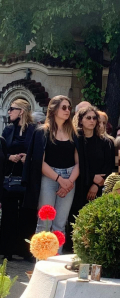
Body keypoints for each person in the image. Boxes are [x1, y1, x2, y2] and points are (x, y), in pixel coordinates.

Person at [23, 95, 79, 252]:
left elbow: (79, 162)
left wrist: (69, 182)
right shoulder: (42, 132)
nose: (68, 111)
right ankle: (41, 262)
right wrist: (60, 180)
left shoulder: (74, 133)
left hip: (70, 178)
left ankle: (56, 264)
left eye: (69, 107)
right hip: (49, 178)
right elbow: (38, 162)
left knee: (60, 225)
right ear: (53, 109)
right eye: (64, 107)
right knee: (44, 223)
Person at [1, 99, 36, 261]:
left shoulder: (35, 130)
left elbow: (39, 152)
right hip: (9, 178)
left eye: (12, 109)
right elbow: (1, 152)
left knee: (27, 215)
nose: (9, 112)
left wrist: (27, 158)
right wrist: (10, 157)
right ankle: (7, 250)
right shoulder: (8, 130)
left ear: (21, 111)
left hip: (27, 179)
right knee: (8, 214)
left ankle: (25, 251)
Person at [75, 106, 113, 204]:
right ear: (80, 120)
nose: (92, 120)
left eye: (94, 118)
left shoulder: (105, 142)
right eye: (88, 118)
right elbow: (79, 164)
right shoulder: (75, 140)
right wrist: (92, 177)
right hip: (78, 186)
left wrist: (96, 185)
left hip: (99, 186)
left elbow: (108, 165)